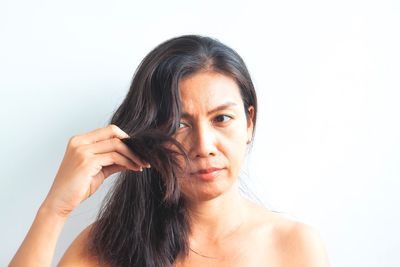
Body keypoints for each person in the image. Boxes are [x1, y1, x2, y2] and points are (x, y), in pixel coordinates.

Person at [10, 35, 330, 267]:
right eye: (179, 124)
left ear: (249, 122)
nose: (204, 146)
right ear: (151, 135)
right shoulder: (107, 248)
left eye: (221, 118)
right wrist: (54, 211)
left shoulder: (294, 246)